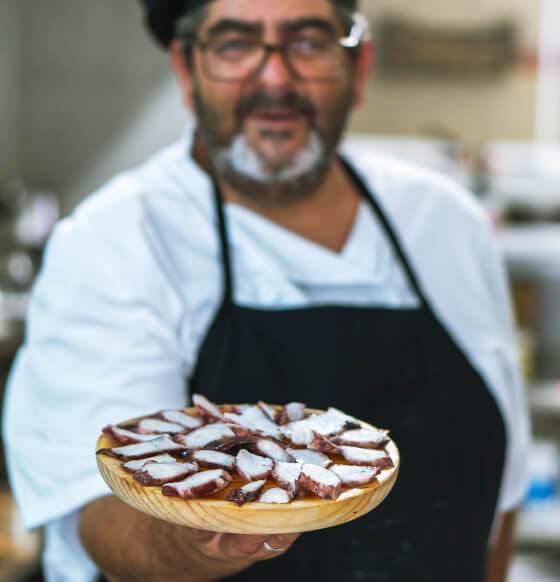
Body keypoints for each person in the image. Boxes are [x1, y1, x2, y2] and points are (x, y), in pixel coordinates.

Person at [2, 0, 530, 581]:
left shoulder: (446, 224)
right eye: (235, 44)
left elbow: (498, 500)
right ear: (186, 69)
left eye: (308, 42)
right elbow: (103, 522)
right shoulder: (118, 240)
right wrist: (209, 540)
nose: (276, 77)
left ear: (359, 66)